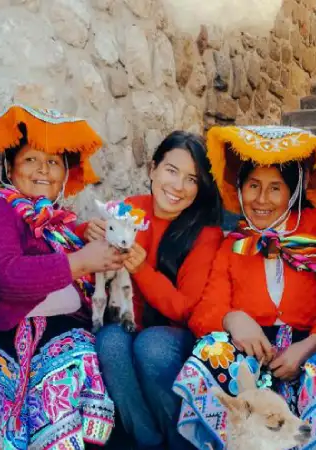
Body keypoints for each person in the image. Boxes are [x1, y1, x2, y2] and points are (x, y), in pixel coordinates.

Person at [0, 106, 123, 449]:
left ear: (64, 175)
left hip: (49, 346)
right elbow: (5, 275)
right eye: (31, 159)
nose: (43, 169)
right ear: (8, 167)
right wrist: (80, 261)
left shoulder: (61, 227)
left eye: (54, 162)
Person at [173, 125, 316, 450]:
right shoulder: (232, 244)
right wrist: (234, 319)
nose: (261, 199)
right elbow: (205, 310)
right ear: (240, 189)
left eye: (275, 188)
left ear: (293, 192)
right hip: (252, 349)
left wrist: (305, 350)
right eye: (253, 186)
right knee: (208, 353)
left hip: (313, 345)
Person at [83, 131, 224, 449]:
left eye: (191, 179)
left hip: (174, 339)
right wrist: (87, 230)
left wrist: (141, 270)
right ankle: (145, 440)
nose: (178, 186)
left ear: (200, 188)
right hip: (133, 327)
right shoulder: (131, 210)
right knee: (109, 341)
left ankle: (182, 441)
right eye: (171, 171)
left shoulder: (205, 235)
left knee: (152, 346)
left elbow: (184, 308)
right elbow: (97, 228)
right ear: (152, 170)